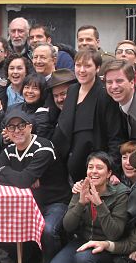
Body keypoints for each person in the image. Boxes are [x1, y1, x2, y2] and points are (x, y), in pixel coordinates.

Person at [0, 106, 71, 263]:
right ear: (6, 132)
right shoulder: (9, 151)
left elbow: (22, 180)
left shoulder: (44, 148)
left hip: (54, 202)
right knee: (2, 224)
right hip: (28, 204)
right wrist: (17, 175)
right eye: (11, 127)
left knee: (47, 230)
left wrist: (9, 172)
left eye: (21, 126)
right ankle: (24, 261)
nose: (17, 131)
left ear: (30, 127)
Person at [47, 152, 129, 263]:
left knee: (83, 259)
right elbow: (68, 226)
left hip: (106, 245)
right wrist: (81, 203)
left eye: (99, 168)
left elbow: (115, 233)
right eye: (90, 167)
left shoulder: (120, 194)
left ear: (109, 173)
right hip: (83, 240)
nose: (94, 171)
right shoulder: (81, 188)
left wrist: (99, 204)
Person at [53, 49, 124, 184]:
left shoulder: (104, 95)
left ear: (97, 68)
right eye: (78, 65)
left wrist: (113, 170)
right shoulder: (72, 90)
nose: (82, 70)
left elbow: (115, 136)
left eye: (87, 66)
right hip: (67, 167)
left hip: (94, 170)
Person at [16, 73, 52, 139]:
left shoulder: (44, 113)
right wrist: (4, 138)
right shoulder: (12, 108)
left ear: (42, 92)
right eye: (27, 87)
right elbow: (1, 130)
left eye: (35, 88)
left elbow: (43, 139)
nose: (30, 91)